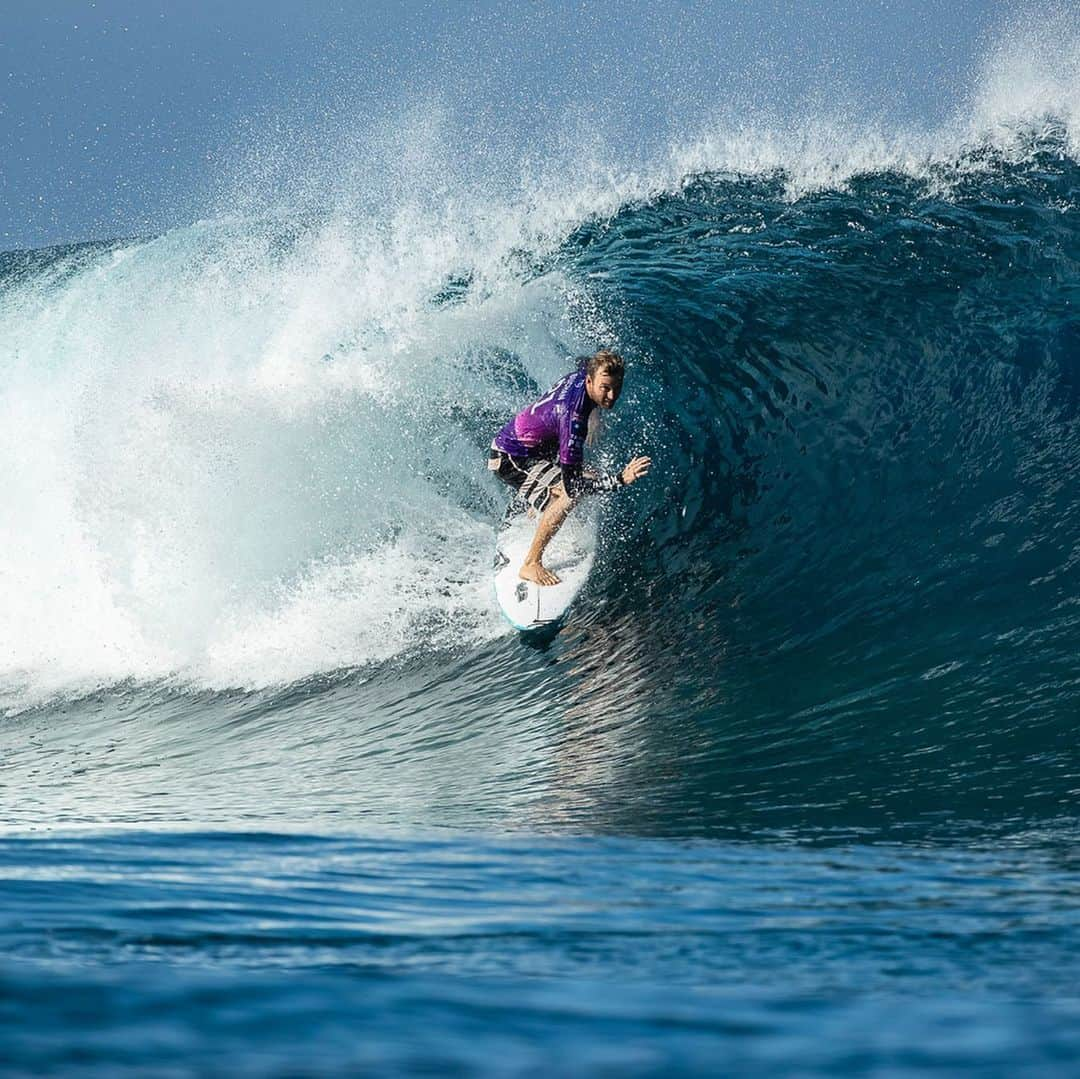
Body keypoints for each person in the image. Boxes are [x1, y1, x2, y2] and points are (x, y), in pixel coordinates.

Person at [488, 349, 651, 586]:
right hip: (510, 457)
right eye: (605, 388)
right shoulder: (573, 418)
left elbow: (585, 362)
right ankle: (531, 563)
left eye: (617, 387)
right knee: (569, 495)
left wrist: (595, 416)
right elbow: (574, 487)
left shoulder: (584, 376)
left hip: (537, 448)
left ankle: (540, 498)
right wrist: (620, 479)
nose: (612, 395)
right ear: (589, 381)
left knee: (588, 474)